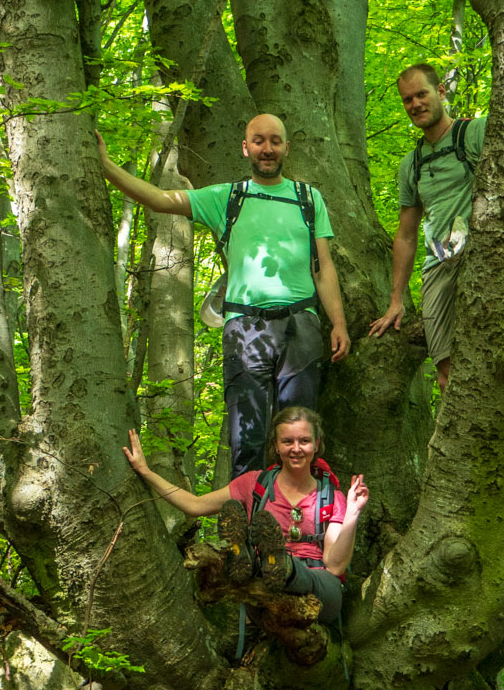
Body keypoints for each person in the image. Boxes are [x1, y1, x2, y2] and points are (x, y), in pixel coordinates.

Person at [98, 114, 350, 475]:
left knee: (299, 435)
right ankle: (244, 525)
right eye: (259, 141)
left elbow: (322, 267)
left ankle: (298, 526)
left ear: (286, 148)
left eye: (275, 141)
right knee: (246, 438)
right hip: (244, 329)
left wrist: (338, 323)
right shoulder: (227, 198)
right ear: (246, 148)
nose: (268, 149)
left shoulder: (308, 199)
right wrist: (106, 166)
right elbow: (158, 199)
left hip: (302, 328)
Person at [123, 406, 368, 624]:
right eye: (287, 441)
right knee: (261, 573)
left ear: (317, 444)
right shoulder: (255, 485)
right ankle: (244, 556)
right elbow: (194, 506)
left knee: (308, 576)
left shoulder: (331, 496)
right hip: (261, 589)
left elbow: (334, 566)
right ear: (275, 445)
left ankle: (279, 564)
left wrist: (353, 513)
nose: (296, 449)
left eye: (304, 441)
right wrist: (145, 471)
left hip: (319, 589)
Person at [369, 63, 486, 393]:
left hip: (483, 253)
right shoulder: (412, 164)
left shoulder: (475, 133)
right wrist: (396, 300)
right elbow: (406, 235)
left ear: (441, 92)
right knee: (447, 374)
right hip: (439, 263)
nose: (415, 104)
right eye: (408, 100)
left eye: (421, 94)